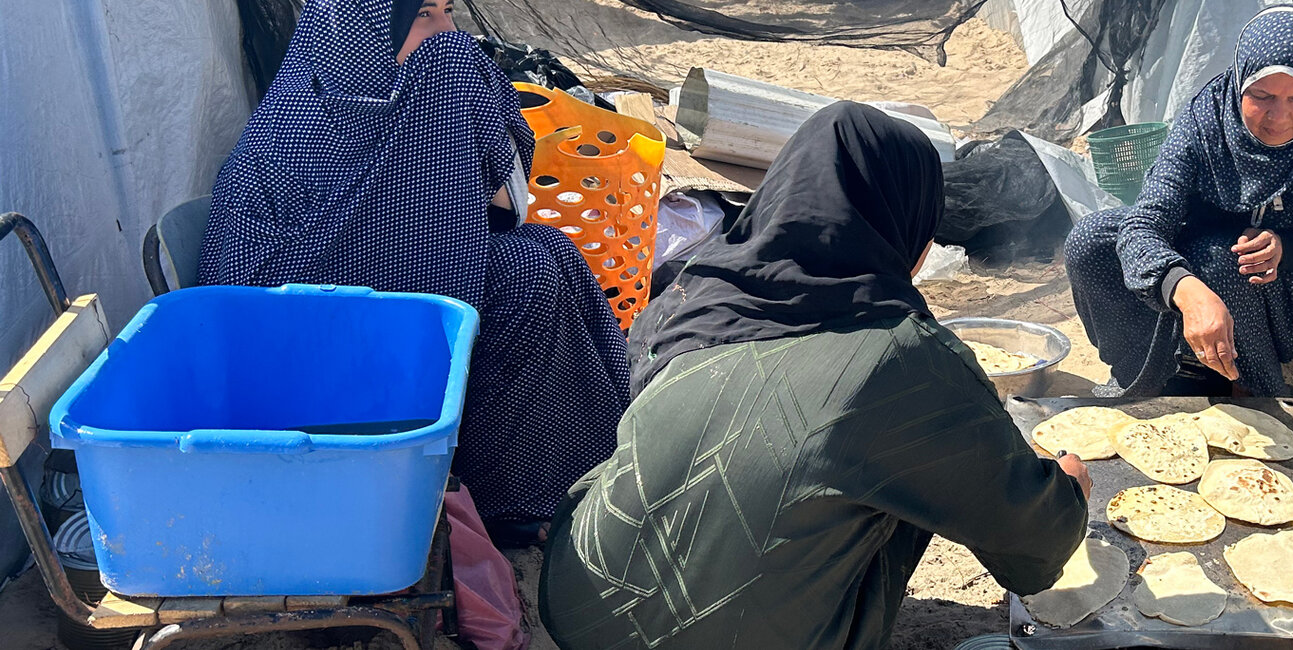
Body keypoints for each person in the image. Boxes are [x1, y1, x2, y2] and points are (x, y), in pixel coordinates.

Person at [538, 102, 1092, 649]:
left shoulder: (692, 293)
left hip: (579, 603)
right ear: (907, 224)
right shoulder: (900, 357)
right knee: (913, 464)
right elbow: (1033, 546)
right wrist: (1069, 489)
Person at [198, 0, 631, 543]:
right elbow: (494, 208)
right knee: (528, 273)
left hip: (355, 304)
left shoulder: (391, 102)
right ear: (358, 29)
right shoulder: (312, 113)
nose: (448, 32)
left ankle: (546, 478)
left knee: (542, 252)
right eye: (426, 14)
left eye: (449, 11)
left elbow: (497, 211)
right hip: (290, 356)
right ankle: (507, 499)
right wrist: (457, 97)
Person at [1066, 4, 1293, 398]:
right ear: (1240, 79)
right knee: (1090, 241)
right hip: (1198, 254)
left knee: (1227, 258)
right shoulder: (1206, 118)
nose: (1278, 117)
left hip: (1288, 277)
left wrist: (1289, 250)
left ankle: (1250, 389)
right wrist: (1184, 288)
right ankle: (1140, 376)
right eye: (1261, 95)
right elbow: (1145, 223)